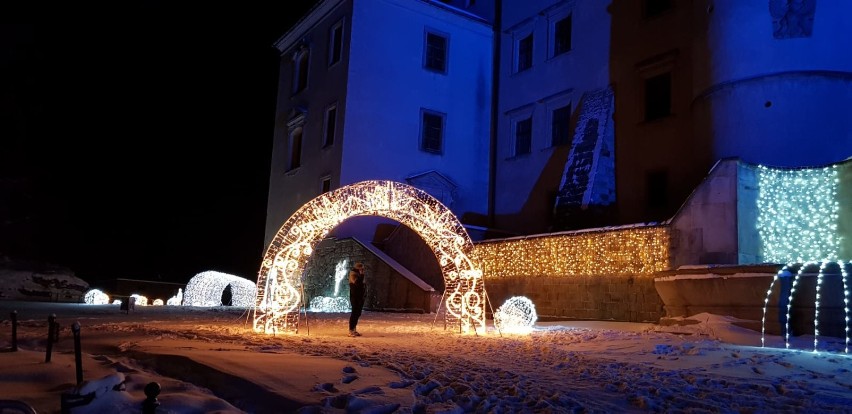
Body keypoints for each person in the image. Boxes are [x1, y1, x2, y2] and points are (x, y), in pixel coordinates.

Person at [348, 262, 366, 337]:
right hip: (355, 297)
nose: (363, 270)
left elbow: (362, 286)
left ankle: (353, 329)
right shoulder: (354, 274)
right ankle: (351, 329)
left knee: (357, 313)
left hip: (359, 297)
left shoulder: (358, 275)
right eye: (361, 268)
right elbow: (357, 284)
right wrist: (361, 275)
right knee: (355, 313)